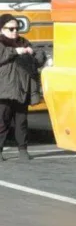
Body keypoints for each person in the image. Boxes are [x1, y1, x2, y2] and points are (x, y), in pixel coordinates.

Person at [0, 13, 45, 161]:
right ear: (1, 29)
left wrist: (33, 53)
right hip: (4, 92)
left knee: (21, 122)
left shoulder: (23, 42)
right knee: (2, 122)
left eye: (17, 29)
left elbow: (40, 55)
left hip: (22, 91)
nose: (15, 32)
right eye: (10, 29)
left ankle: (23, 150)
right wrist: (15, 52)